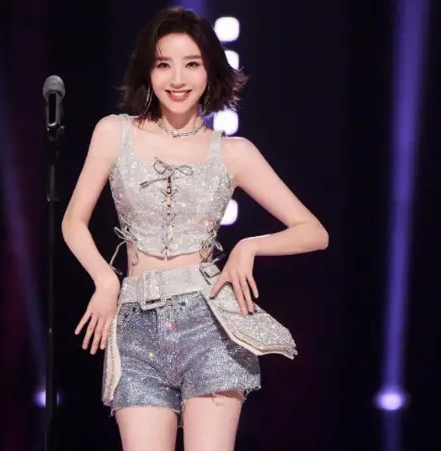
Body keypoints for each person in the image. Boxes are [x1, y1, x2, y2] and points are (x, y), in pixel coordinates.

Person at [61, 6, 329, 451]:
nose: (177, 79)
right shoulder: (114, 133)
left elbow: (313, 231)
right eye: (163, 64)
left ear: (210, 71)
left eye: (192, 64)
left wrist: (248, 246)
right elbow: (74, 220)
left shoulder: (233, 152)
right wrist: (105, 279)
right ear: (147, 70)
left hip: (210, 324)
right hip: (135, 323)